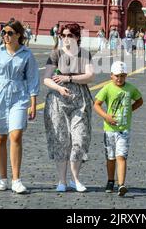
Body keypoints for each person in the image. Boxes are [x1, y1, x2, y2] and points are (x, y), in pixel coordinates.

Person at [0, 20, 40, 194]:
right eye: (3, 32)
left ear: (19, 35)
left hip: (19, 96)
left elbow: (33, 78)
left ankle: (16, 180)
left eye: (9, 33)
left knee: (16, 134)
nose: (6, 35)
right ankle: (3, 178)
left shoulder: (27, 54)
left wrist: (33, 102)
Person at [43, 23, 95, 192]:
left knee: (79, 138)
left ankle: (76, 179)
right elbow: (46, 78)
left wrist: (68, 79)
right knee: (61, 140)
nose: (66, 39)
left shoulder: (84, 54)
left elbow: (90, 76)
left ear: (77, 37)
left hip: (80, 100)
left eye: (70, 35)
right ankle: (62, 181)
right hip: (58, 100)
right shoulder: (55, 54)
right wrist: (59, 87)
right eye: (63, 35)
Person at [94, 61, 143, 196]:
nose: (119, 79)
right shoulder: (107, 88)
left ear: (126, 75)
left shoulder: (130, 88)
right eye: (117, 76)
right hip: (109, 129)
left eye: (122, 76)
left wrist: (130, 111)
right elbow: (97, 104)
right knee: (110, 157)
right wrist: (106, 116)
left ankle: (121, 184)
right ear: (111, 76)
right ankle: (110, 180)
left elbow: (140, 100)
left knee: (121, 156)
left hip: (124, 129)